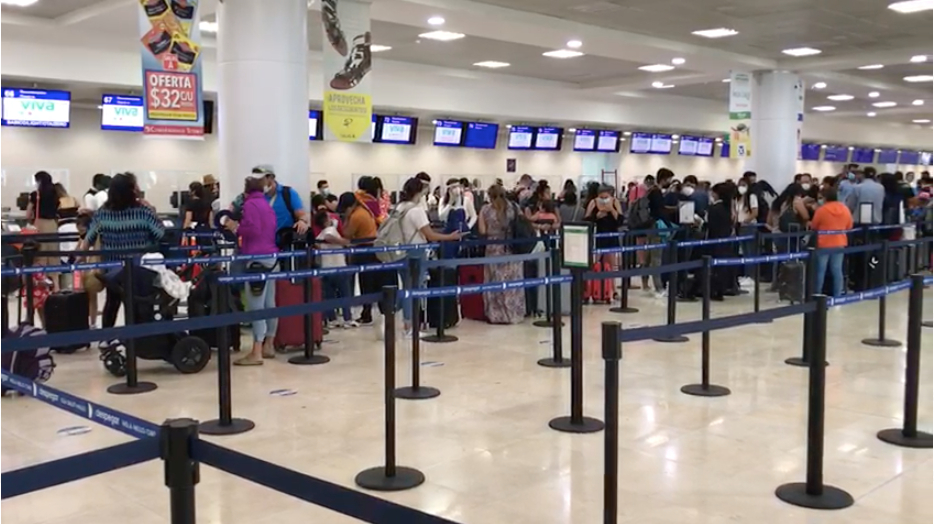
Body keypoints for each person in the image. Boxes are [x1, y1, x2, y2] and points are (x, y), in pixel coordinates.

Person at [76, 173, 165, 331]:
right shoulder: (143, 211)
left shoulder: (103, 213)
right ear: (132, 191)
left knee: (112, 302)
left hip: (113, 268)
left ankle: (107, 338)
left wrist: (79, 258)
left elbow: (88, 239)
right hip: (139, 268)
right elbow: (160, 233)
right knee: (137, 303)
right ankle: (138, 339)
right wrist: (152, 210)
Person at [395, 177, 462, 336]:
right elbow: (430, 235)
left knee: (406, 287)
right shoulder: (416, 210)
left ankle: (407, 323)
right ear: (419, 191)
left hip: (401, 251)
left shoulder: (400, 207)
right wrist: (450, 237)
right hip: (416, 252)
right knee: (414, 290)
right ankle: (410, 327)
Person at [229, 176, 279, 365]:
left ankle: (256, 351)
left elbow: (252, 229)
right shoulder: (267, 205)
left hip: (256, 259)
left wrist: (236, 228)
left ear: (246, 191)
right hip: (271, 257)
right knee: (269, 303)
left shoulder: (250, 205)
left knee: (255, 305)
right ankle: (269, 345)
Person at [478, 184, 525, 324]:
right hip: (513, 249)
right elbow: (524, 224)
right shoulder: (515, 208)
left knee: (495, 282)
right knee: (513, 282)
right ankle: (514, 314)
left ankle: (497, 315)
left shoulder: (486, 210)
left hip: (494, 249)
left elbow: (482, 231)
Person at [344, 177, 384, 325]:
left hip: (362, 245)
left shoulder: (359, 202)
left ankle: (366, 311)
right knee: (375, 279)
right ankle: (380, 309)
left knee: (364, 280)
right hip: (376, 243)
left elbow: (348, 233)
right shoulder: (375, 203)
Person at [314, 209, 357, 329]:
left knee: (329, 295)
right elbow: (329, 237)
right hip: (338, 267)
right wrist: (343, 242)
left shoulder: (320, 234)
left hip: (326, 268)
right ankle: (347, 318)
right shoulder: (330, 230)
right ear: (325, 221)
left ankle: (332, 319)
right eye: (329, 217)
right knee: (345, 294)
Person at [810, 186, 853, 298]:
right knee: (837, 270)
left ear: (824, 197)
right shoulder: (845, 209)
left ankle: (817, 294)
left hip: (824, 243)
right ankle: (837, 295)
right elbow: (849, 226)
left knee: (820, 270)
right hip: (840, 242)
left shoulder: (822, 210)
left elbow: (814, 226)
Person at [27, 171, 61, 274]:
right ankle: (56, 285)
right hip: (52, 225)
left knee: (40, 254)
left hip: (39, 224)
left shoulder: (35, 195)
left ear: (39, 181)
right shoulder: (56, 194)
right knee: (53, 254)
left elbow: (28, 214)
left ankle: (41, 282)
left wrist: (31, 222)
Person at [706, 183, 734, 300]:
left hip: (714, 239)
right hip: (725, 239)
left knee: (714, 266)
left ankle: (714, 290)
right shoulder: (728, 208)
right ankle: (721, 289)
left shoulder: (714, 208)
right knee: (722, 266)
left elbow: (710, 225)